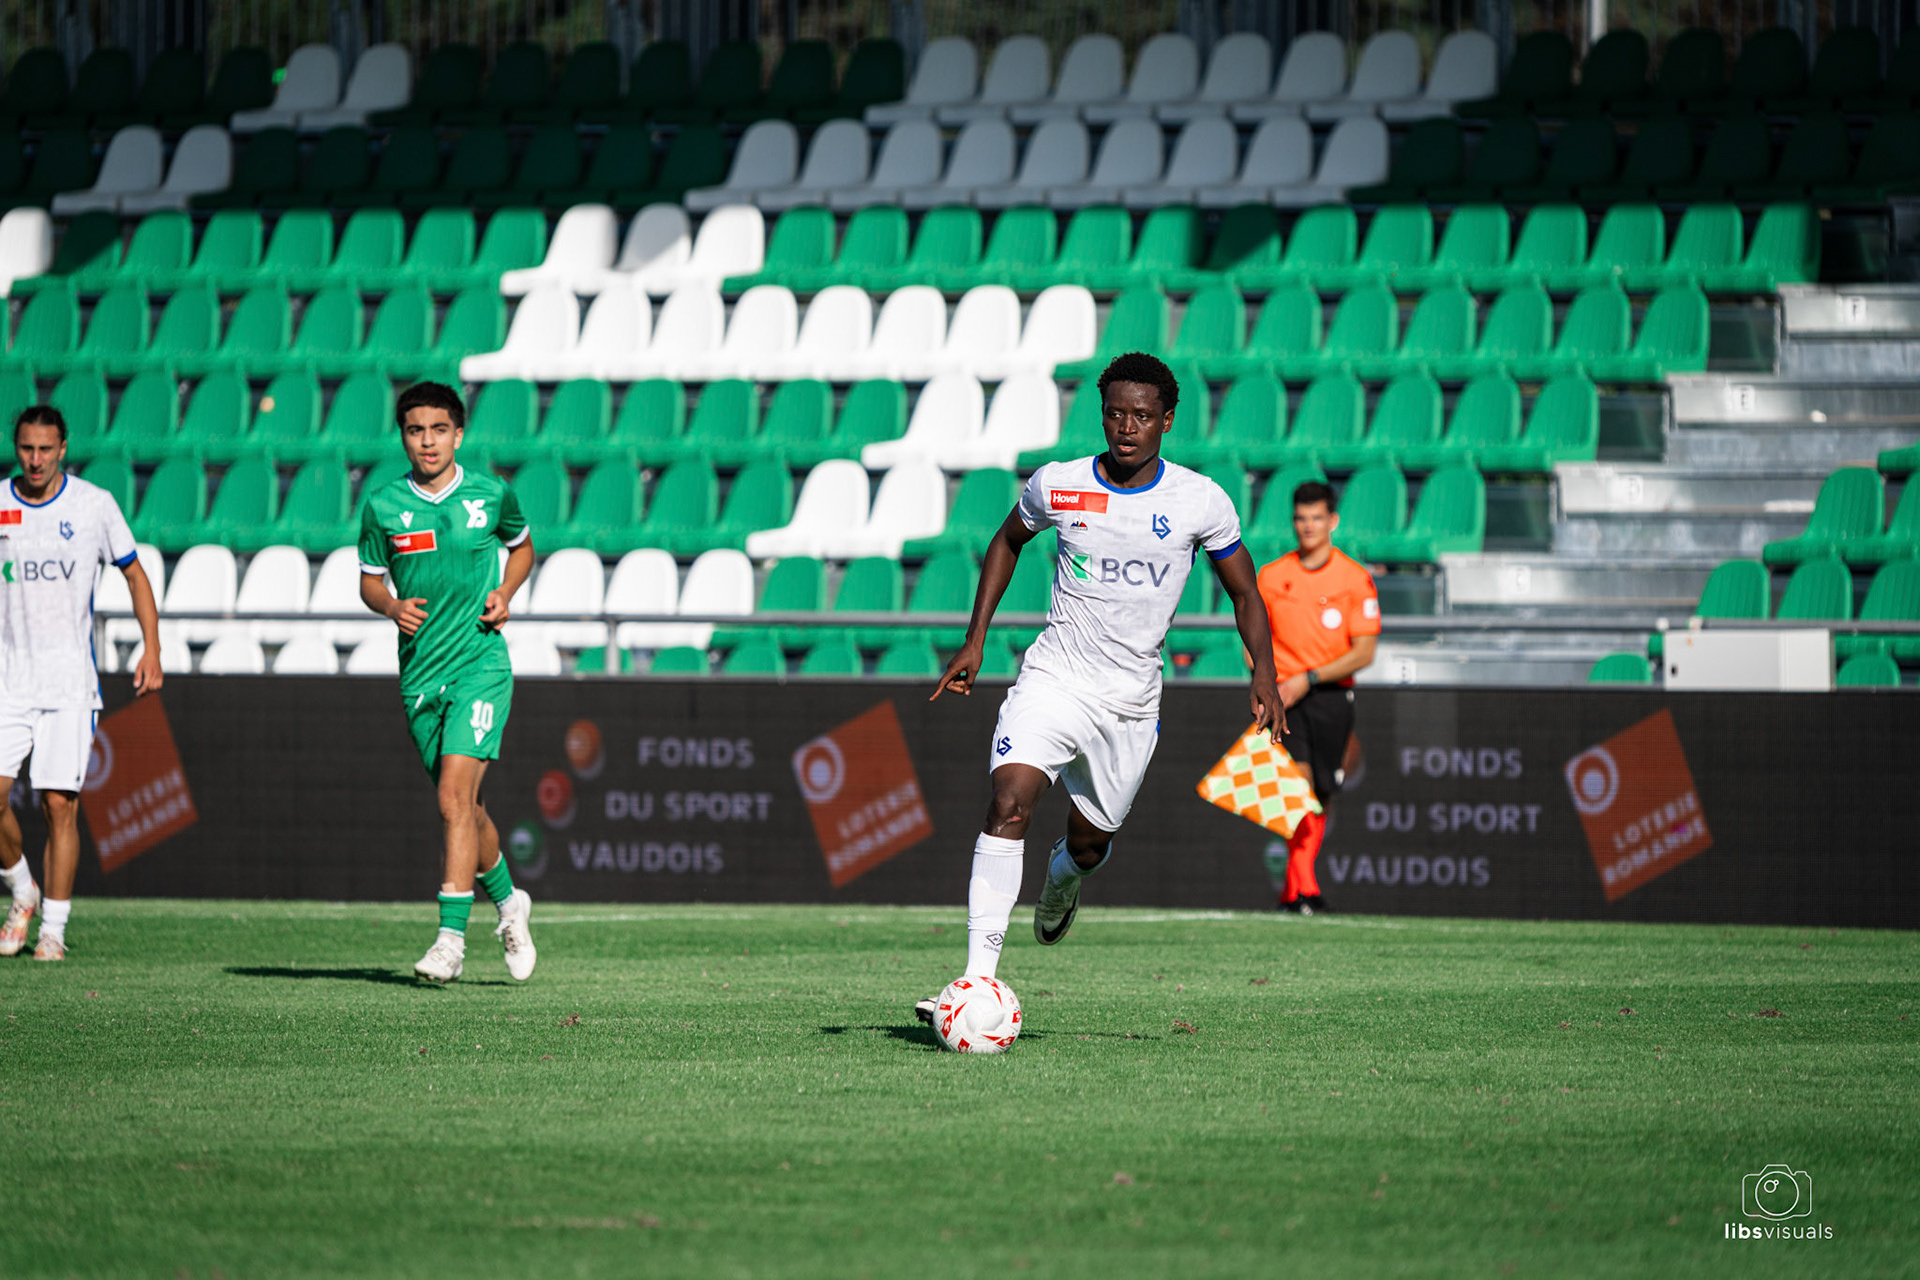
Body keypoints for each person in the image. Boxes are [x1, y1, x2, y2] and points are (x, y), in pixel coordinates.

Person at [914, 352, 1287, 1021]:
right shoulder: (1058, 484)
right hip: (1054, 678)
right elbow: (1005, 542)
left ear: (1166, 420)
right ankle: (976, 982)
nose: (1126, 426)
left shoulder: (1200, 500)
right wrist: (975, 639)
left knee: (1088, 844)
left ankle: (1064, 878)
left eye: (1142, 415)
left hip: (1131, 702)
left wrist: (1264, 668)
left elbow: (1245, 590)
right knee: (1008, 802)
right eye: (1115, 412)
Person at [358, 382, 539, 983]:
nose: (427, 440)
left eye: (439, 429)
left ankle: (449, 942)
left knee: (450, 801)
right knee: (467, 806)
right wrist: (389, 607)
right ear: (403, 437)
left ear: (458, 435)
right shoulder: (383, 505)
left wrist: (506, 593)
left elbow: (522, 547)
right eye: (415, 430)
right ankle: (511, 903)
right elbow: (368, 581)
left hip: (481, 666)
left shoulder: (491, 494)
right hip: (419, 677)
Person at [0, 405, 165, 960]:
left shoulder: (94, 506)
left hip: (70, 683)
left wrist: (153, 647)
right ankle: (23, 891)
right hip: (9, 681)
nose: (36, 459)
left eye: (46, 449)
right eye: (27, 448)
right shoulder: (1, 503)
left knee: (58, 806)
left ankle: (54, 930)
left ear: (63, 448)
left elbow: (135, 575)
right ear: (16, 448)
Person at [1256, 480, 1379, 914]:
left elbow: (1364, 651)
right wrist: (1263, 682)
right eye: (1300, 518)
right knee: (1297, 790)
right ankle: (1305, 889)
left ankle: (1294, 892)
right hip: (1285, 700)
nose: (1307, 527)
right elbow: (1255, 639)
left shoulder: (1353, 578)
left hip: (1330, 696)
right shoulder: (1272, 576)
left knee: (1321, 794)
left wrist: (1310, 677)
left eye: (1316, 518)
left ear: (1333, 521)